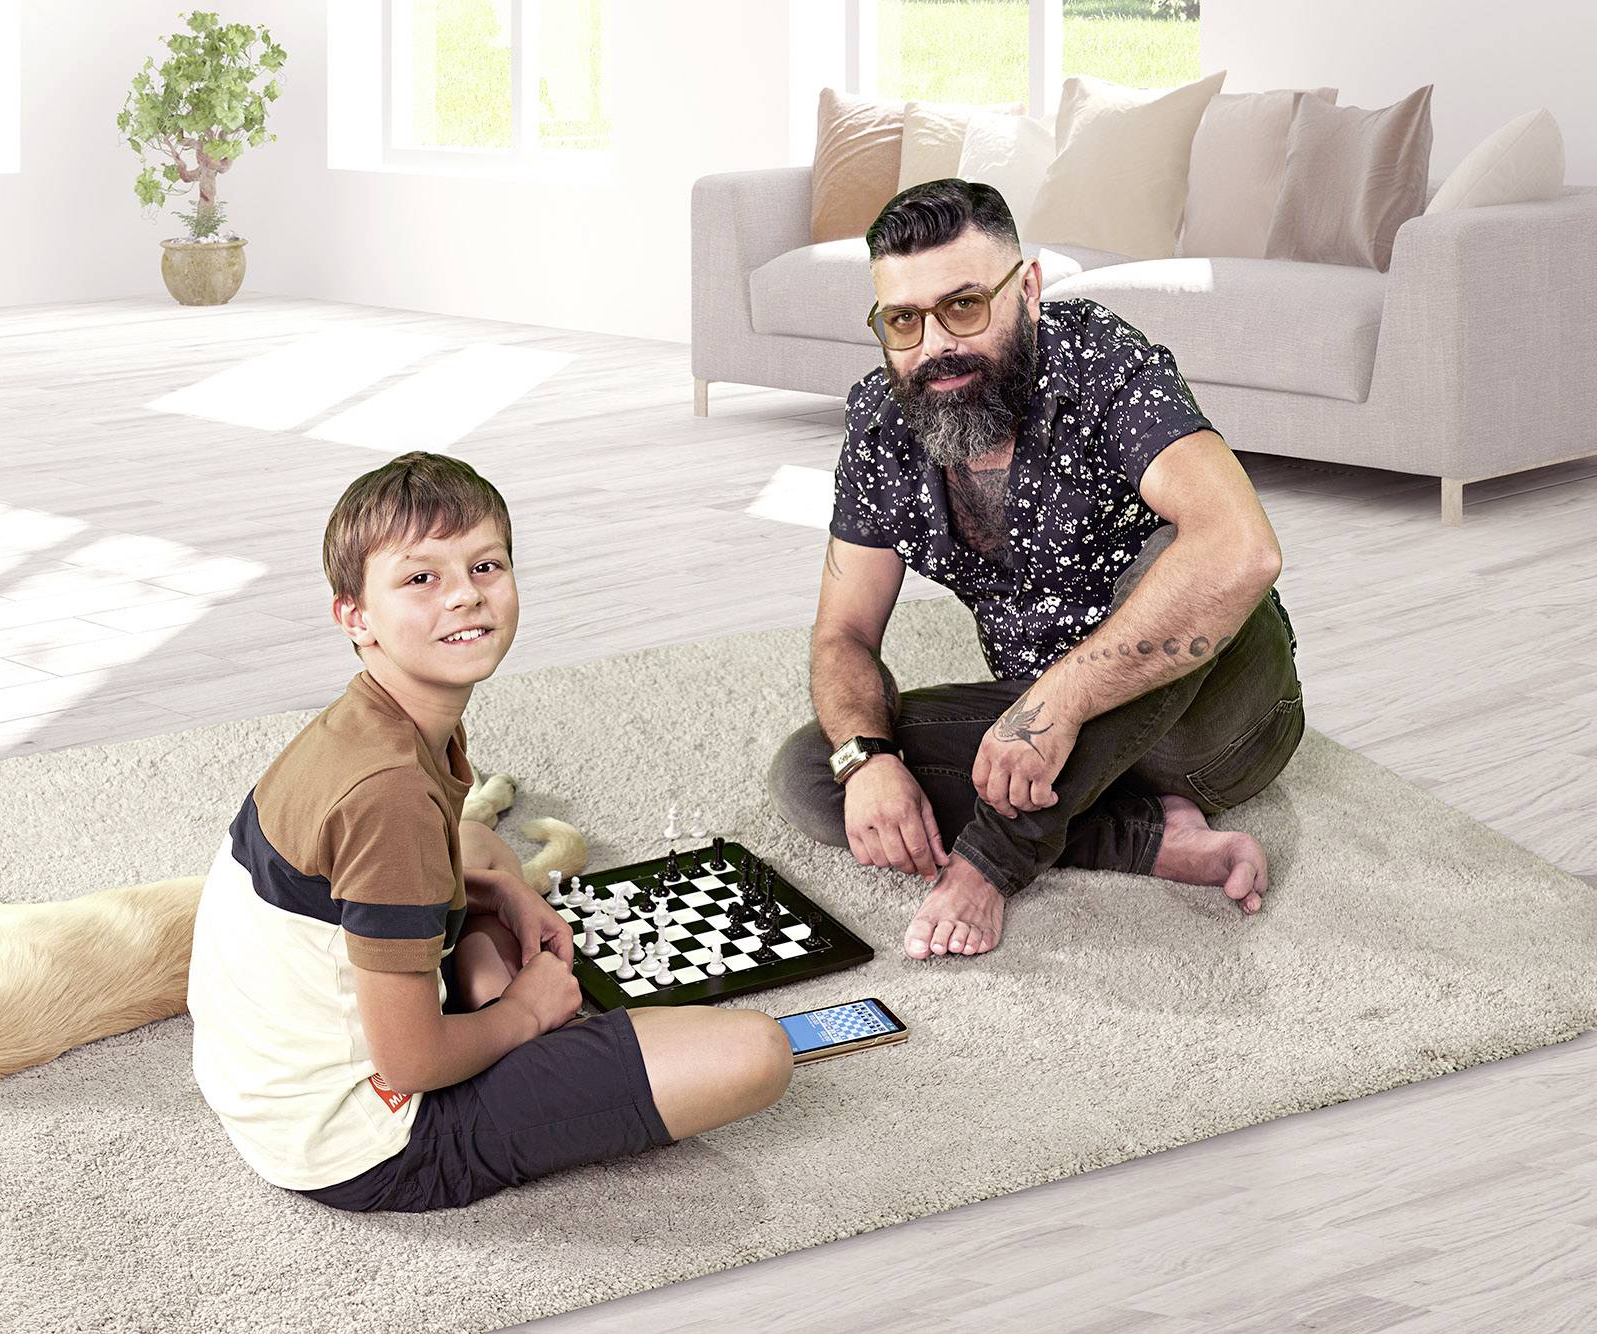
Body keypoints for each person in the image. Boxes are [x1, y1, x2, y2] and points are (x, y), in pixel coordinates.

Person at [188, 450, 791, 1212]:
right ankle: (507, 1016)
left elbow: (349, 887)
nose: (464, 598)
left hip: (267, 1087)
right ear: (354, 615)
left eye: (486, 566)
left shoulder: (374, 725)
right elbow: (408, 1062)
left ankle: (491, 993)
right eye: (420, 579)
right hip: (369, 1140)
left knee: (483, 851)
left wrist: (489, 891)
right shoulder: (390, 792)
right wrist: (524, 1014)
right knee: (755, 1053)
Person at [767, 178, 1305, 961]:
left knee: (1180, 559)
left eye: (964, 307)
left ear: (1027, 289)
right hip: (1044, 735)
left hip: (1212, 722)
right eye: (903, 321)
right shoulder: (881, 424)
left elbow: (1243, 549)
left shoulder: (1101, 360)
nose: (935, 347)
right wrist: (869, 761)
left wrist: (1060, 698)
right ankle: (1144, 840)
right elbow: (844, 634)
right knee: (816, 773)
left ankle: (998, 858)